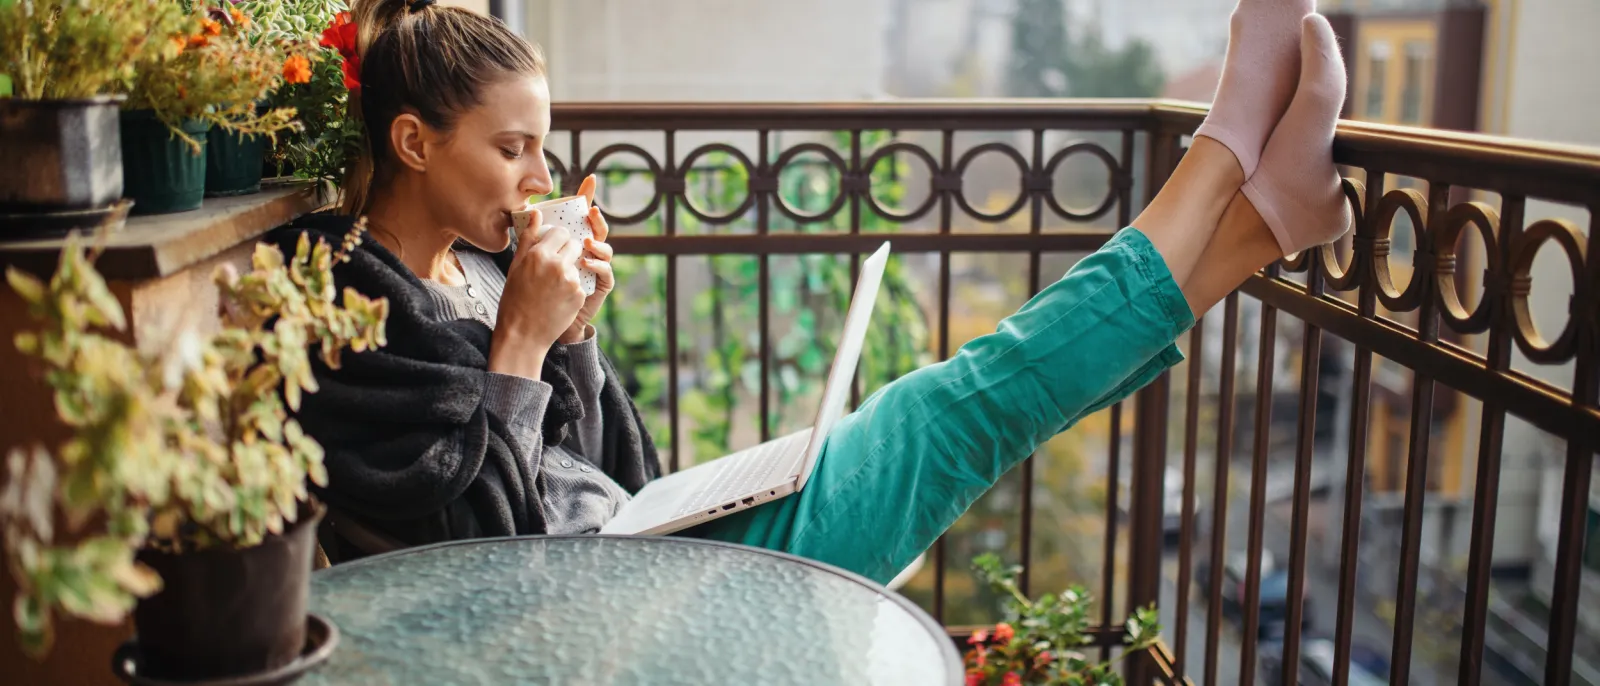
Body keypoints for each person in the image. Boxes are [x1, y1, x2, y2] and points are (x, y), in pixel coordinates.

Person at [283, 0, 1349, 585]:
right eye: (511, 148)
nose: (537, 178)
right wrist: (523, 339)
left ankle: (1261, 225)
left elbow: (610, 473)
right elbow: (478, 560)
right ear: (415, 142)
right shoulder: (348, 306)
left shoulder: (468, 269)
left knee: (967, 405)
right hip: (611, 611)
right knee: (961, 403)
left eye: (543, 147)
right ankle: (1220, 155)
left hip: (651, 551)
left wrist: (576, 341)